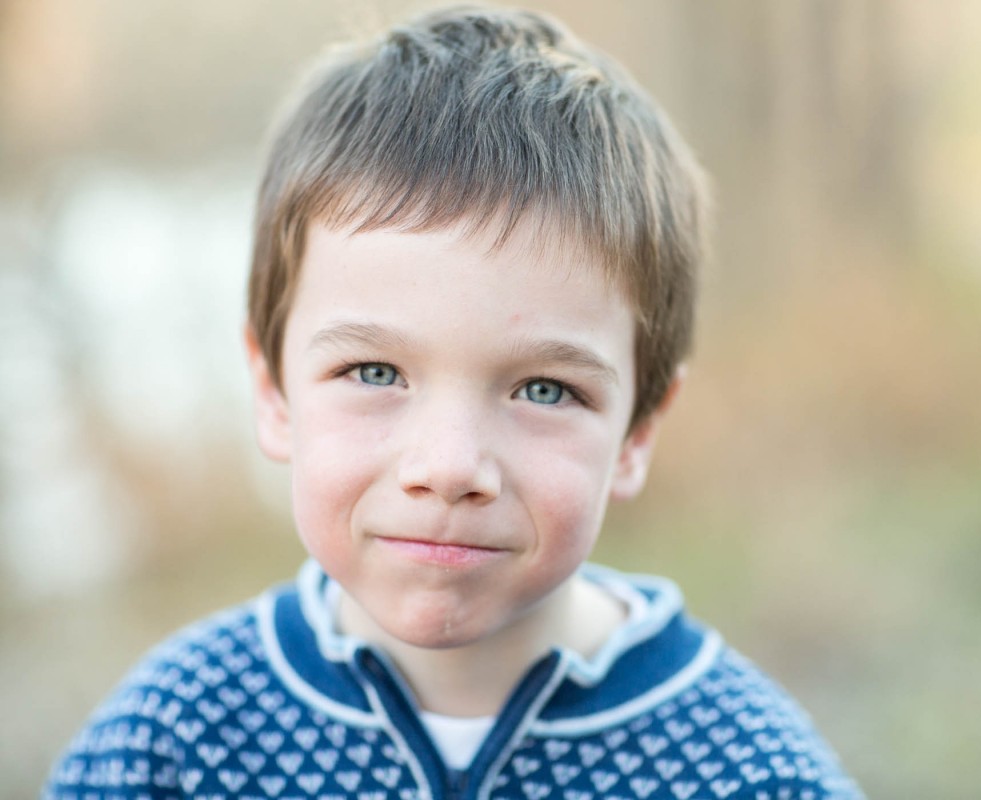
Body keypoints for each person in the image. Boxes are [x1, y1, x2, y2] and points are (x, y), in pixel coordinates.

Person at [43, 6, 863, 799]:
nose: (448, 467)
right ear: (273, 391)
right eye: (374, 372)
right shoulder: (176, 742)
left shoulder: (747, 771)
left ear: (638, 431)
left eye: (545, 389)